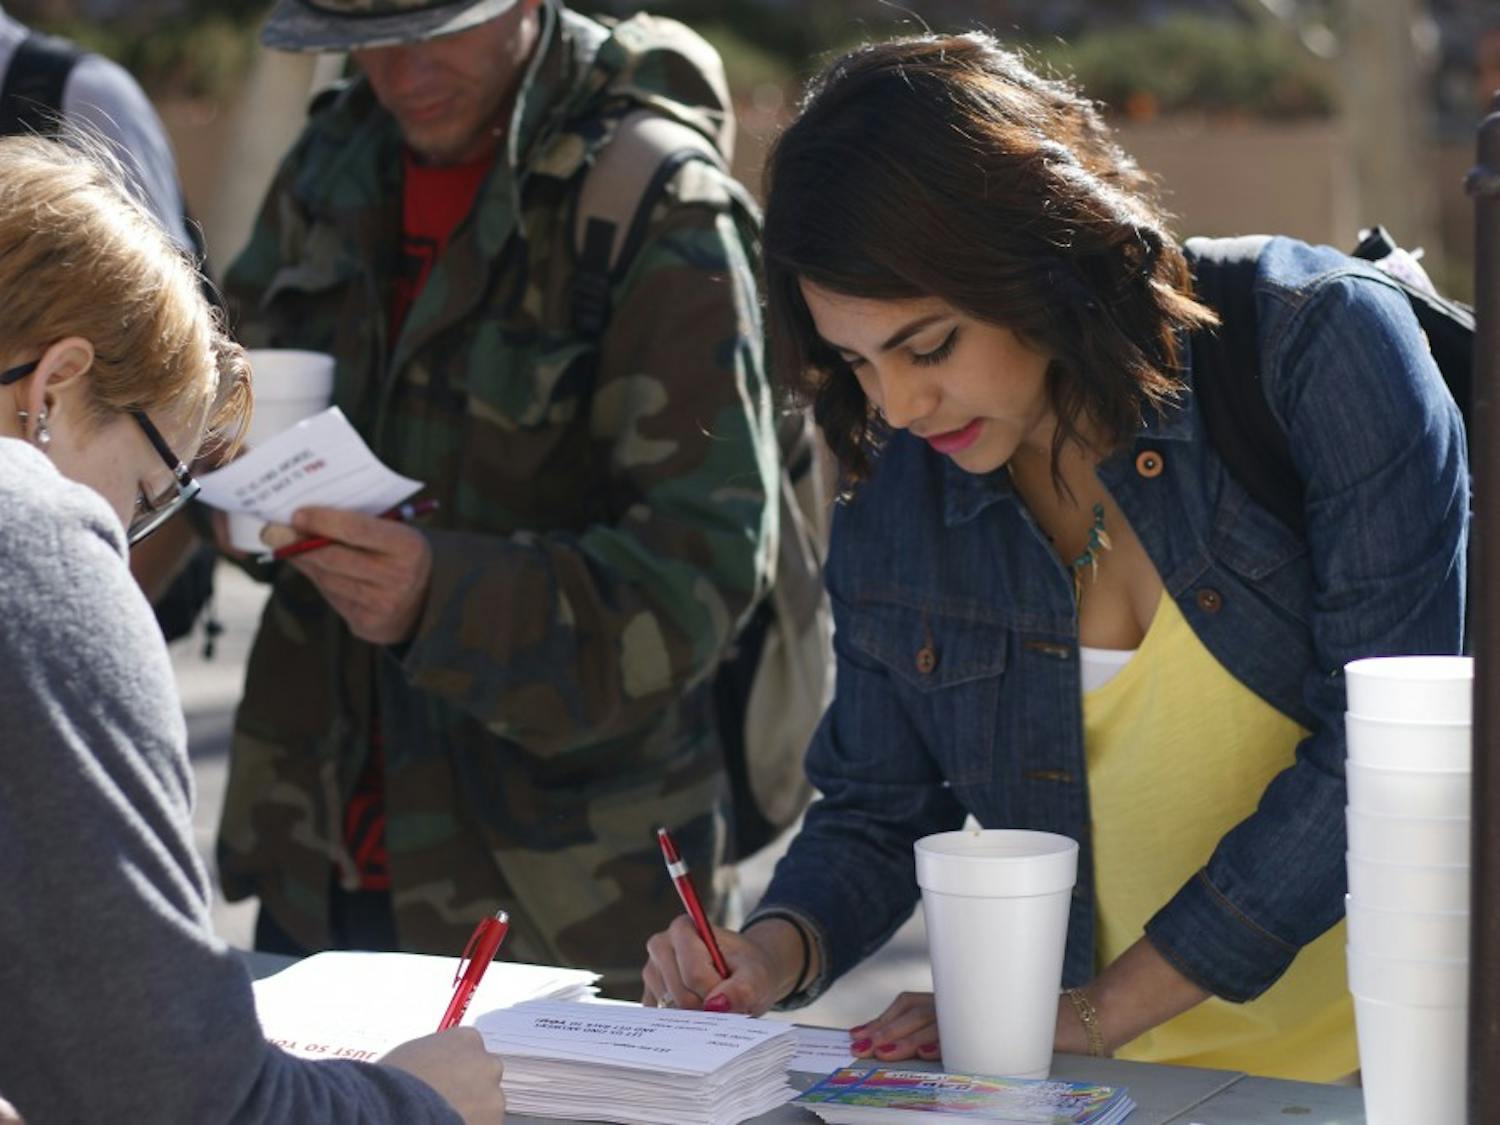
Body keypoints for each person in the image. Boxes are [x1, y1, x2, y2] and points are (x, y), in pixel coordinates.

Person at [641, 33, 1468, 1082]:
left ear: (1041, 257)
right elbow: (882, 806)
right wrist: (772, 951)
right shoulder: (898, 475)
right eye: (858, 362)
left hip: (1407, 1070)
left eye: (929, 346)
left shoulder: (1320, 349)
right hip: (1109, 1091)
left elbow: (1380, 762)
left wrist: (1088, 1011)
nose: (897, 404)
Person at [216, 0, 777, 996]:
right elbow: (229, 388)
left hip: (567, 921)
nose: (403, 69)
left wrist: (441, 597)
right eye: (372, 37)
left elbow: (707, 572)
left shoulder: (656, 197)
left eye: (438, 26)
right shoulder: (333, 161)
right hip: (321, 876)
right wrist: (229, 487)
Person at [0, 132, 507, 1124]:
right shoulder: (34, 539)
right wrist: (416, 1102)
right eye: (148, 491)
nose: (132, 539)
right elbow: (183, 1099)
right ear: (55, 386)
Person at [0, 3, 221, 641]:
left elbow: (155, 337)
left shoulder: (74, 91)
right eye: (146, 501)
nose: (129, 520)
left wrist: (106, 620)